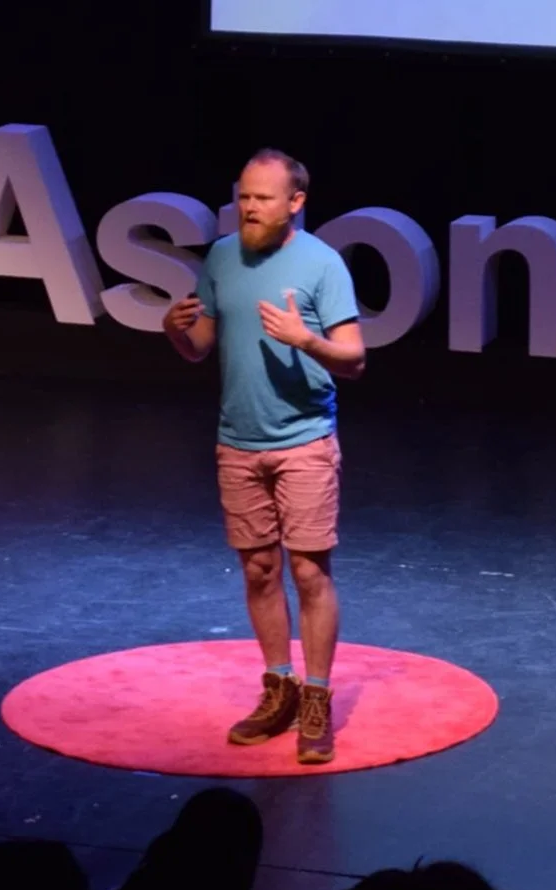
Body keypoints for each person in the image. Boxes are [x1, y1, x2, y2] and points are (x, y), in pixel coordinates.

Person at [161, 148, 365, 764]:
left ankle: (317, 698)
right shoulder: (221, 256)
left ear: (295, 202)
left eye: (263, 197)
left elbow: (355, 359)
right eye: (243, 195)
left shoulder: (323, 265)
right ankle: (278, 688)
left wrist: (306, 338)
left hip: (303, 439)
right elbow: (199, 348)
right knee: (258, 570)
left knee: (308, 572)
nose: (249, 207)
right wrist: (174, 328)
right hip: (237, 442)